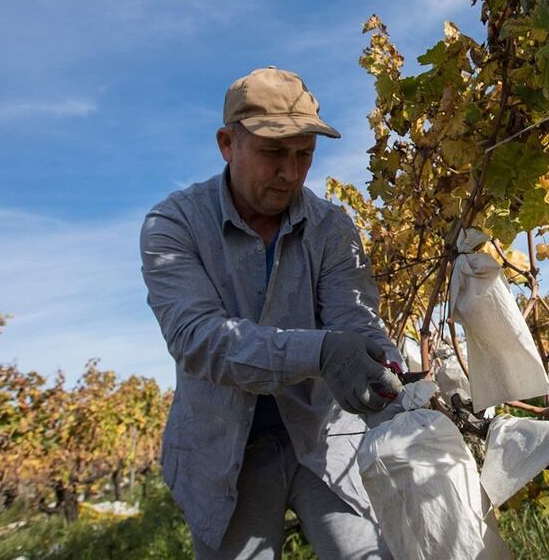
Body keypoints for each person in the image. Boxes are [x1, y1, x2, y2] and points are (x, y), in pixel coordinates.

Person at [140, 66, 403, 559]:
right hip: (224, 453)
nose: (291, 173)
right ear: (226, 143)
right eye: (273, 153)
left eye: (305, 155)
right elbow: (199, 338)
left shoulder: (330, 227)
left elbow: (355, 321)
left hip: (325, 437)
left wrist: (385, 371)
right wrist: (322, 352)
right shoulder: (173, 225)